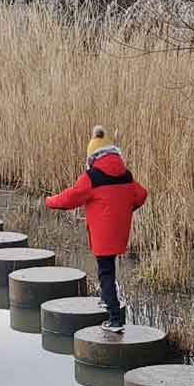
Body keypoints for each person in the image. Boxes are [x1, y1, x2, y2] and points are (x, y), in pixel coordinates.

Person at [45, 125, 148, 331]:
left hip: (102, 234)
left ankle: (114, 318)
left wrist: (50, 201)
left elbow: (70, 197)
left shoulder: (92, 177)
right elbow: (141, 195)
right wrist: (127, 208)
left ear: (92, 156)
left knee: (105, 273)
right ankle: (105, 299)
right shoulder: (125, 175)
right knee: (109, 267)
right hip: (119, 231)